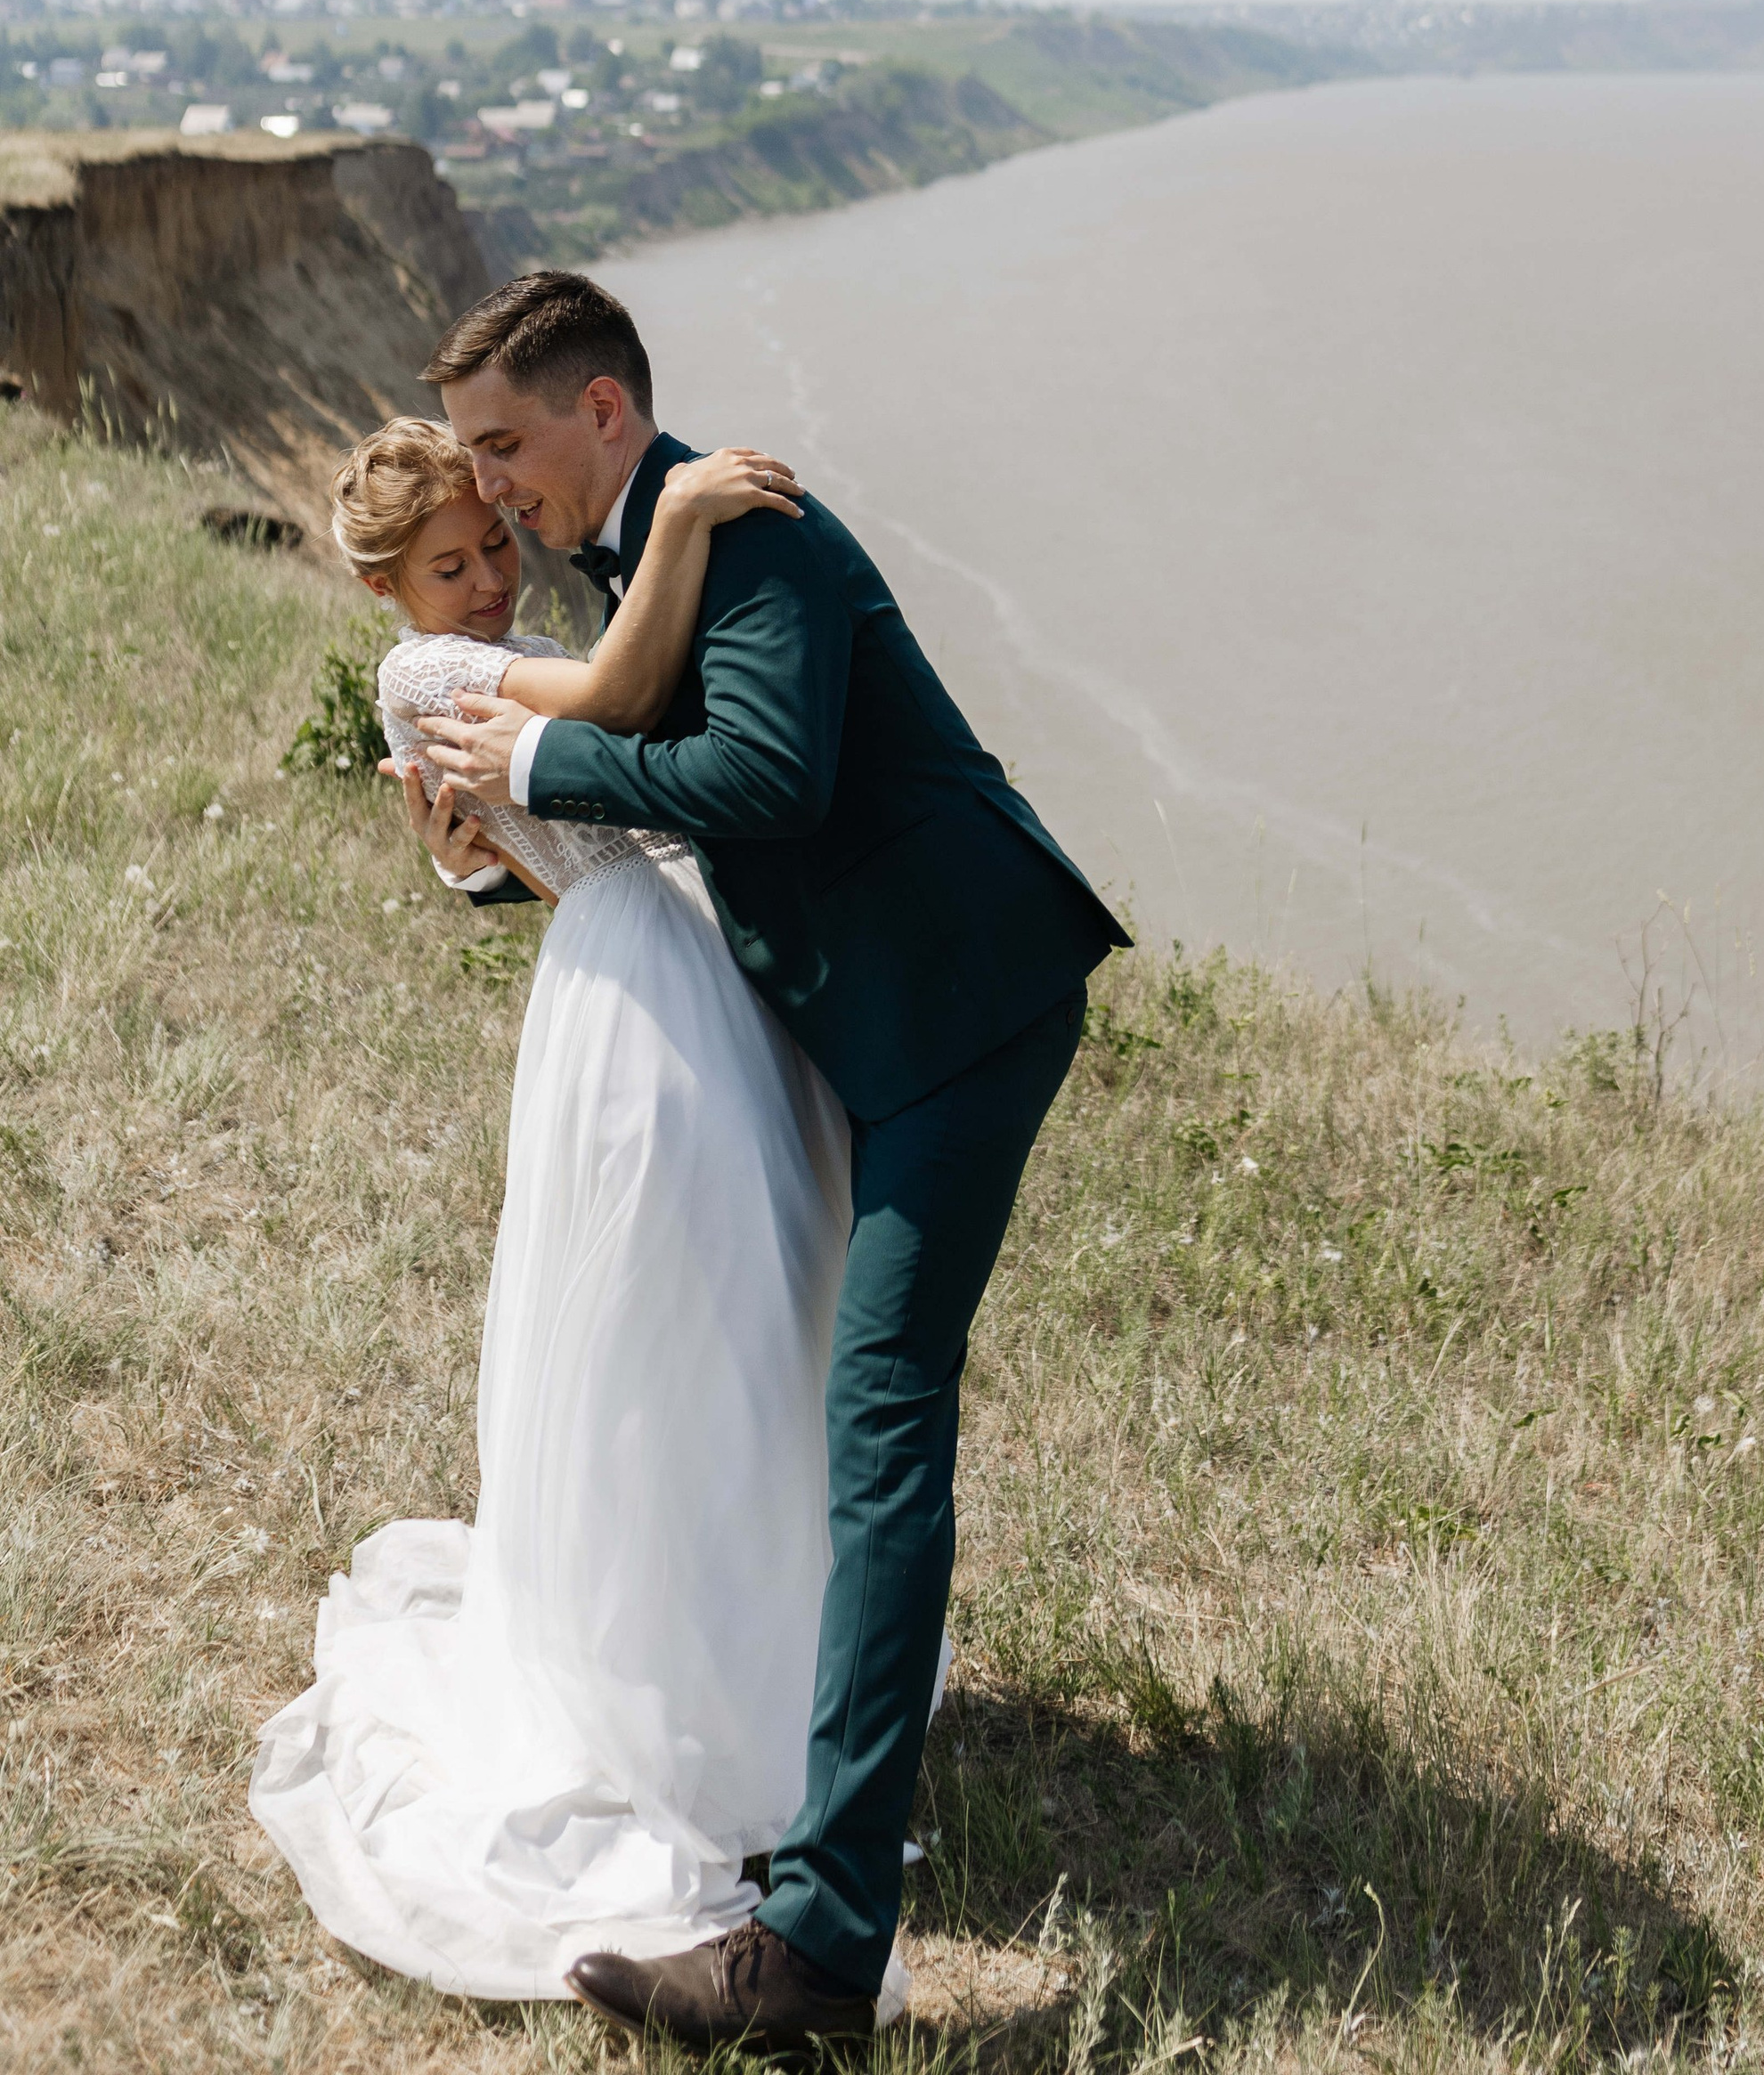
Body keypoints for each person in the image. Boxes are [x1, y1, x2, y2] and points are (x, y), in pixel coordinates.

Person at [411, 268, 1126, 2054]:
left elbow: (773, 781)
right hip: (854, 1021)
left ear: (601, 410)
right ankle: (789, 1752)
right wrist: (499, 829)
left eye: (509, 445)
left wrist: (550, 756)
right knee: (826, 1396)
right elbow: (663, 792)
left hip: (958, 1012)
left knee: (882, 1418)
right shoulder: (651, 549)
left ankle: (812, 1949)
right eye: (471, 458)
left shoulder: (748, 528)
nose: (492, 487)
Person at [248, 414, 867, 2003]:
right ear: (385, 589)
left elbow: (571, 805)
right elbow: (615, 708)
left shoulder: (504, 649)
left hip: (689, 962)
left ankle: (758, 1632)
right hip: (630, 986)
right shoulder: (421, 678)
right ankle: (658, 1683)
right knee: (654, 1326)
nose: (482, 579)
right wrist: (687, 520)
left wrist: (480, 859)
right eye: (446, 566)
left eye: (491, 546)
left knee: (749, 1310)